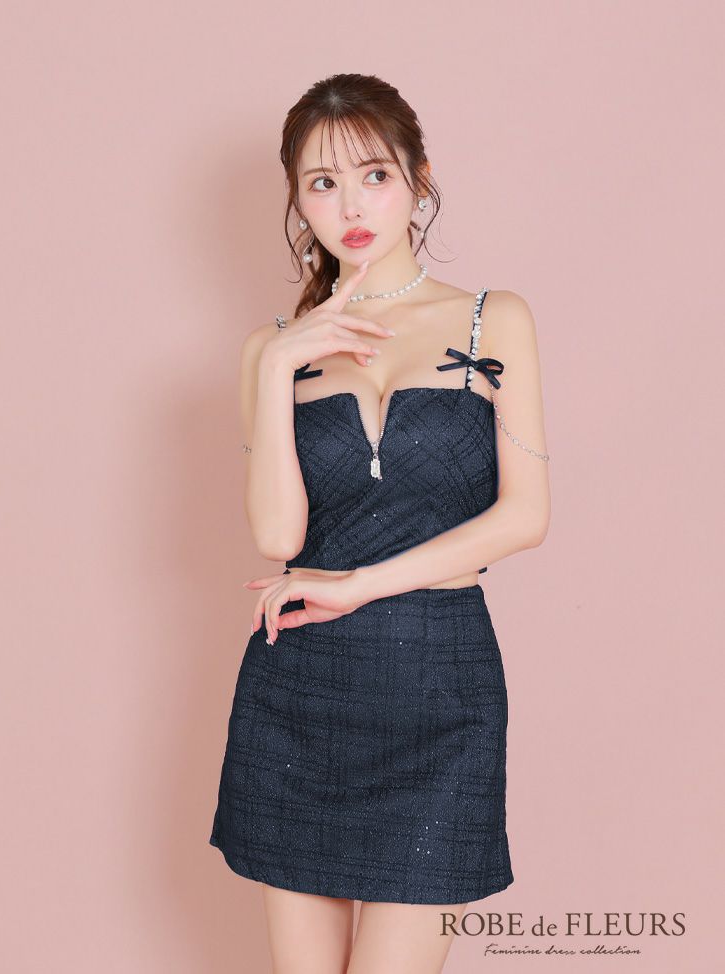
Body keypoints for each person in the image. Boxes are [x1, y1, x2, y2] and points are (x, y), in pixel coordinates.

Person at [209, 72, 551, 974]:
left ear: (418, 178)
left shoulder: (492, 321)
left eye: (374, 175)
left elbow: (526, 516)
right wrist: (278, 363)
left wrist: (359, 585)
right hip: (297, 691)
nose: (351, 206)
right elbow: (278, 539)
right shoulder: (269, 349)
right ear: (298, 201)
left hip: (442, 686)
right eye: (322, 183)